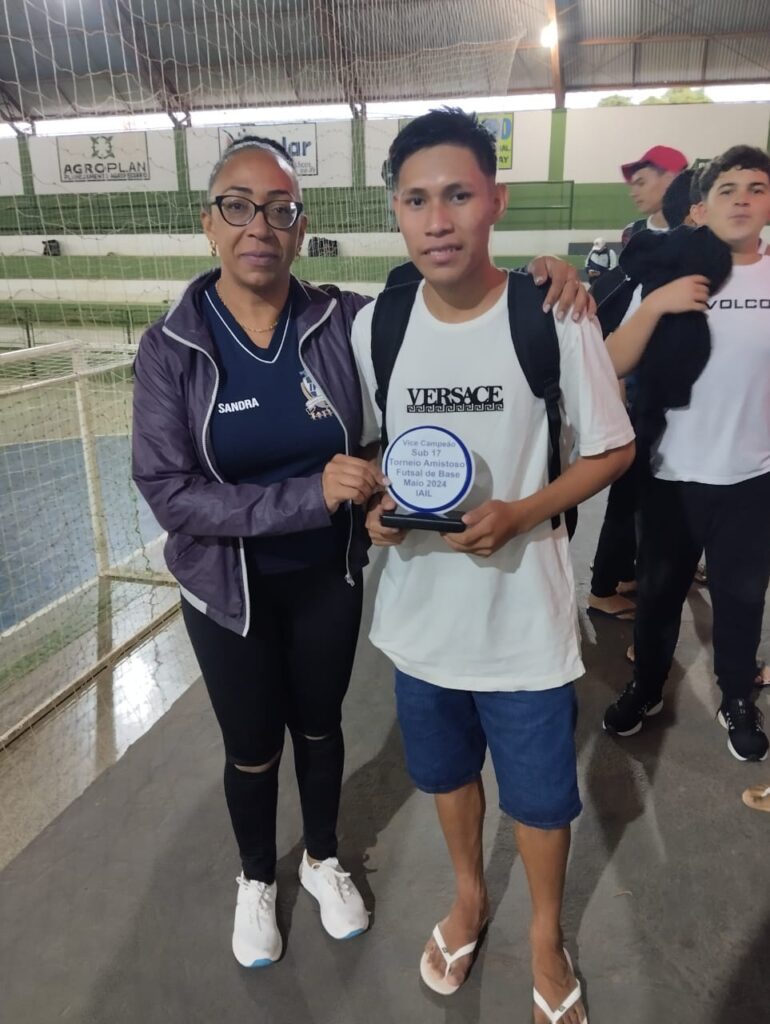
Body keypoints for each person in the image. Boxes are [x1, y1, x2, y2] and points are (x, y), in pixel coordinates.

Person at [131, 135, 593, 969]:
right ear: (209, 224)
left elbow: (441, 303)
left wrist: (547, 273)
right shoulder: (173, 348)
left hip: (326, 575)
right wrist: (304, 496)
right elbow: (168, 492)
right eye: (238, 207)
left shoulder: (338, 319)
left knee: (319, 728)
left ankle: (321, 858)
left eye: (280, 209)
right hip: (228, 587)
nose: (259, 227)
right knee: (252, 745)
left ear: (301, 227)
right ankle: (253, 880)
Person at [352, 108, 635, 1023]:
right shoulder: (378, 326)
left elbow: (611, 450)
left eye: (459, 195)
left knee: (543, 800)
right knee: (444, 776)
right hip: (421, 622)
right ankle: (471, 896)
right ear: (395, 212)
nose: (438, 220)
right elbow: (381, 451)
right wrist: (378, 517)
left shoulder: (552, 314)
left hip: (523, 624)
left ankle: (546, 933)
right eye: (416, 200)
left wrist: (520, 513)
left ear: (495, 202)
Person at [602, 145, 770, 763]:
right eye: (728, 189)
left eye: (756, 187)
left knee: (742, 602)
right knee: (657, 599)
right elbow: (614, 360)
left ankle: (736, 697)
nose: (743, 199)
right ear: (702, 206)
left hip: (753, 478)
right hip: (672, 475)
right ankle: (646, 687)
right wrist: (655, 305)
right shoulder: (669, 271)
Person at [587, 168, 699, 625]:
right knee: (632, 499)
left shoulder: (663, 255)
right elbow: (614, 343)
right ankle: (605, 589)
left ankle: (624, 580)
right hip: (641, 405)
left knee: (637, 500)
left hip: (645, 404)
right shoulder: (663, 262)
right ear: (697, 211)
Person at [620, 145, 688, 247]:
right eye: (632, 185)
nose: (633, 193)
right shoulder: (631, 233)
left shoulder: (701, 232)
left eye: (641, 183)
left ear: (669, 180)